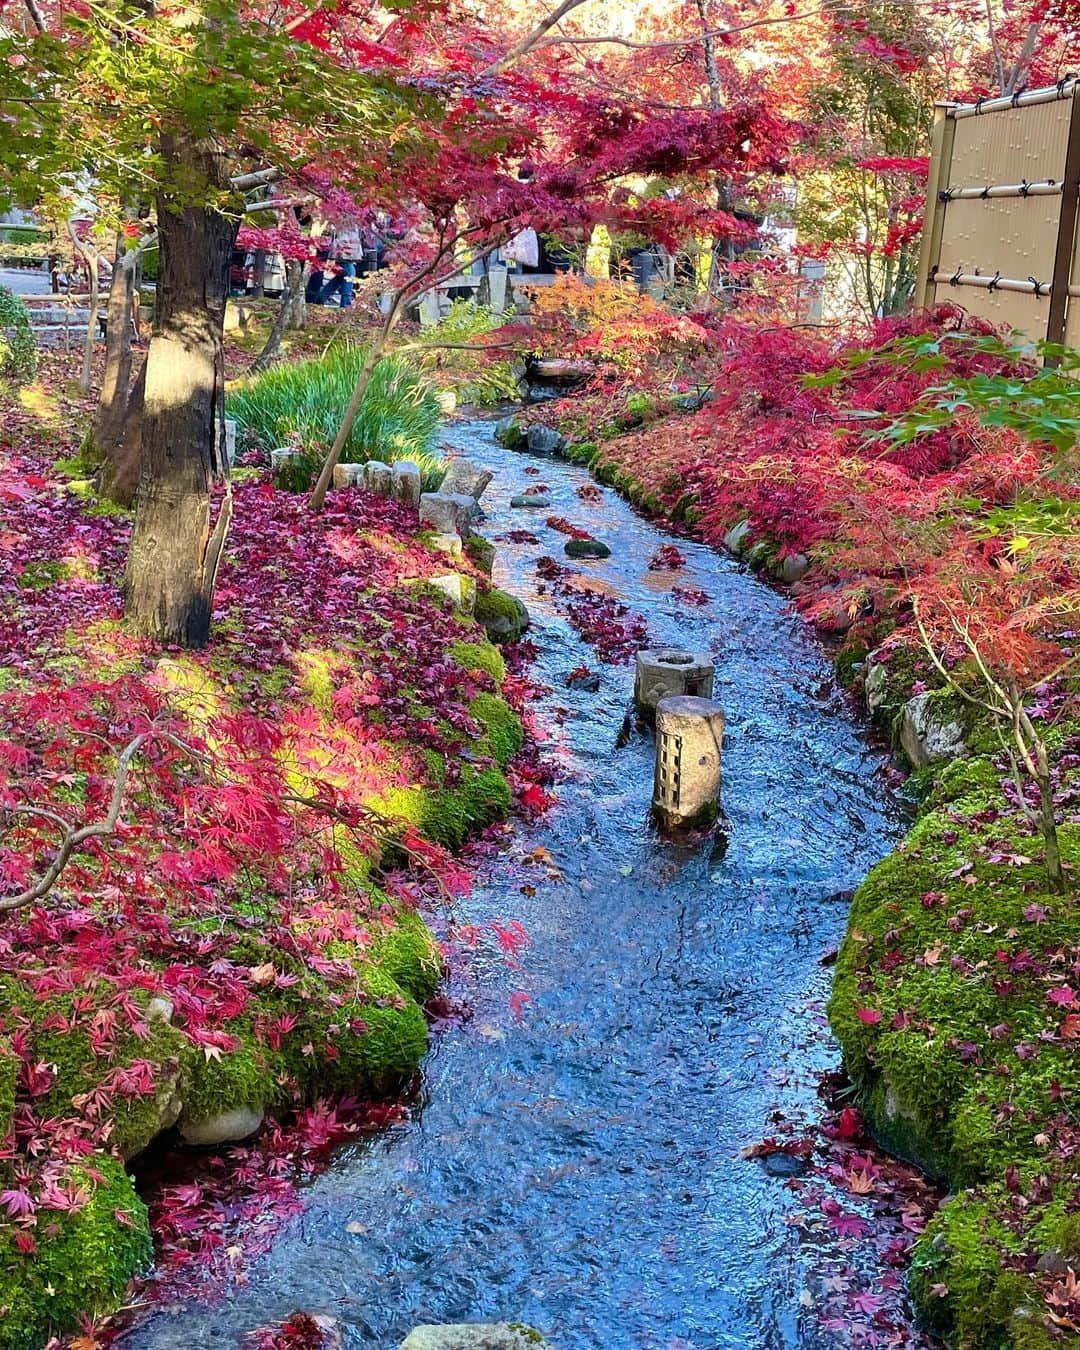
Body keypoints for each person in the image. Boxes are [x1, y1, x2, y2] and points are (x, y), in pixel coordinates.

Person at [319, 220, 362, 307]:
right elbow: (343, 238)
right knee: (349, 275)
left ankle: (321, 298)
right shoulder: (346, 222)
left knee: (340, 277)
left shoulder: (350, 223)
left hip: (346, 250)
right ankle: (345, 304)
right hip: (345, 252)